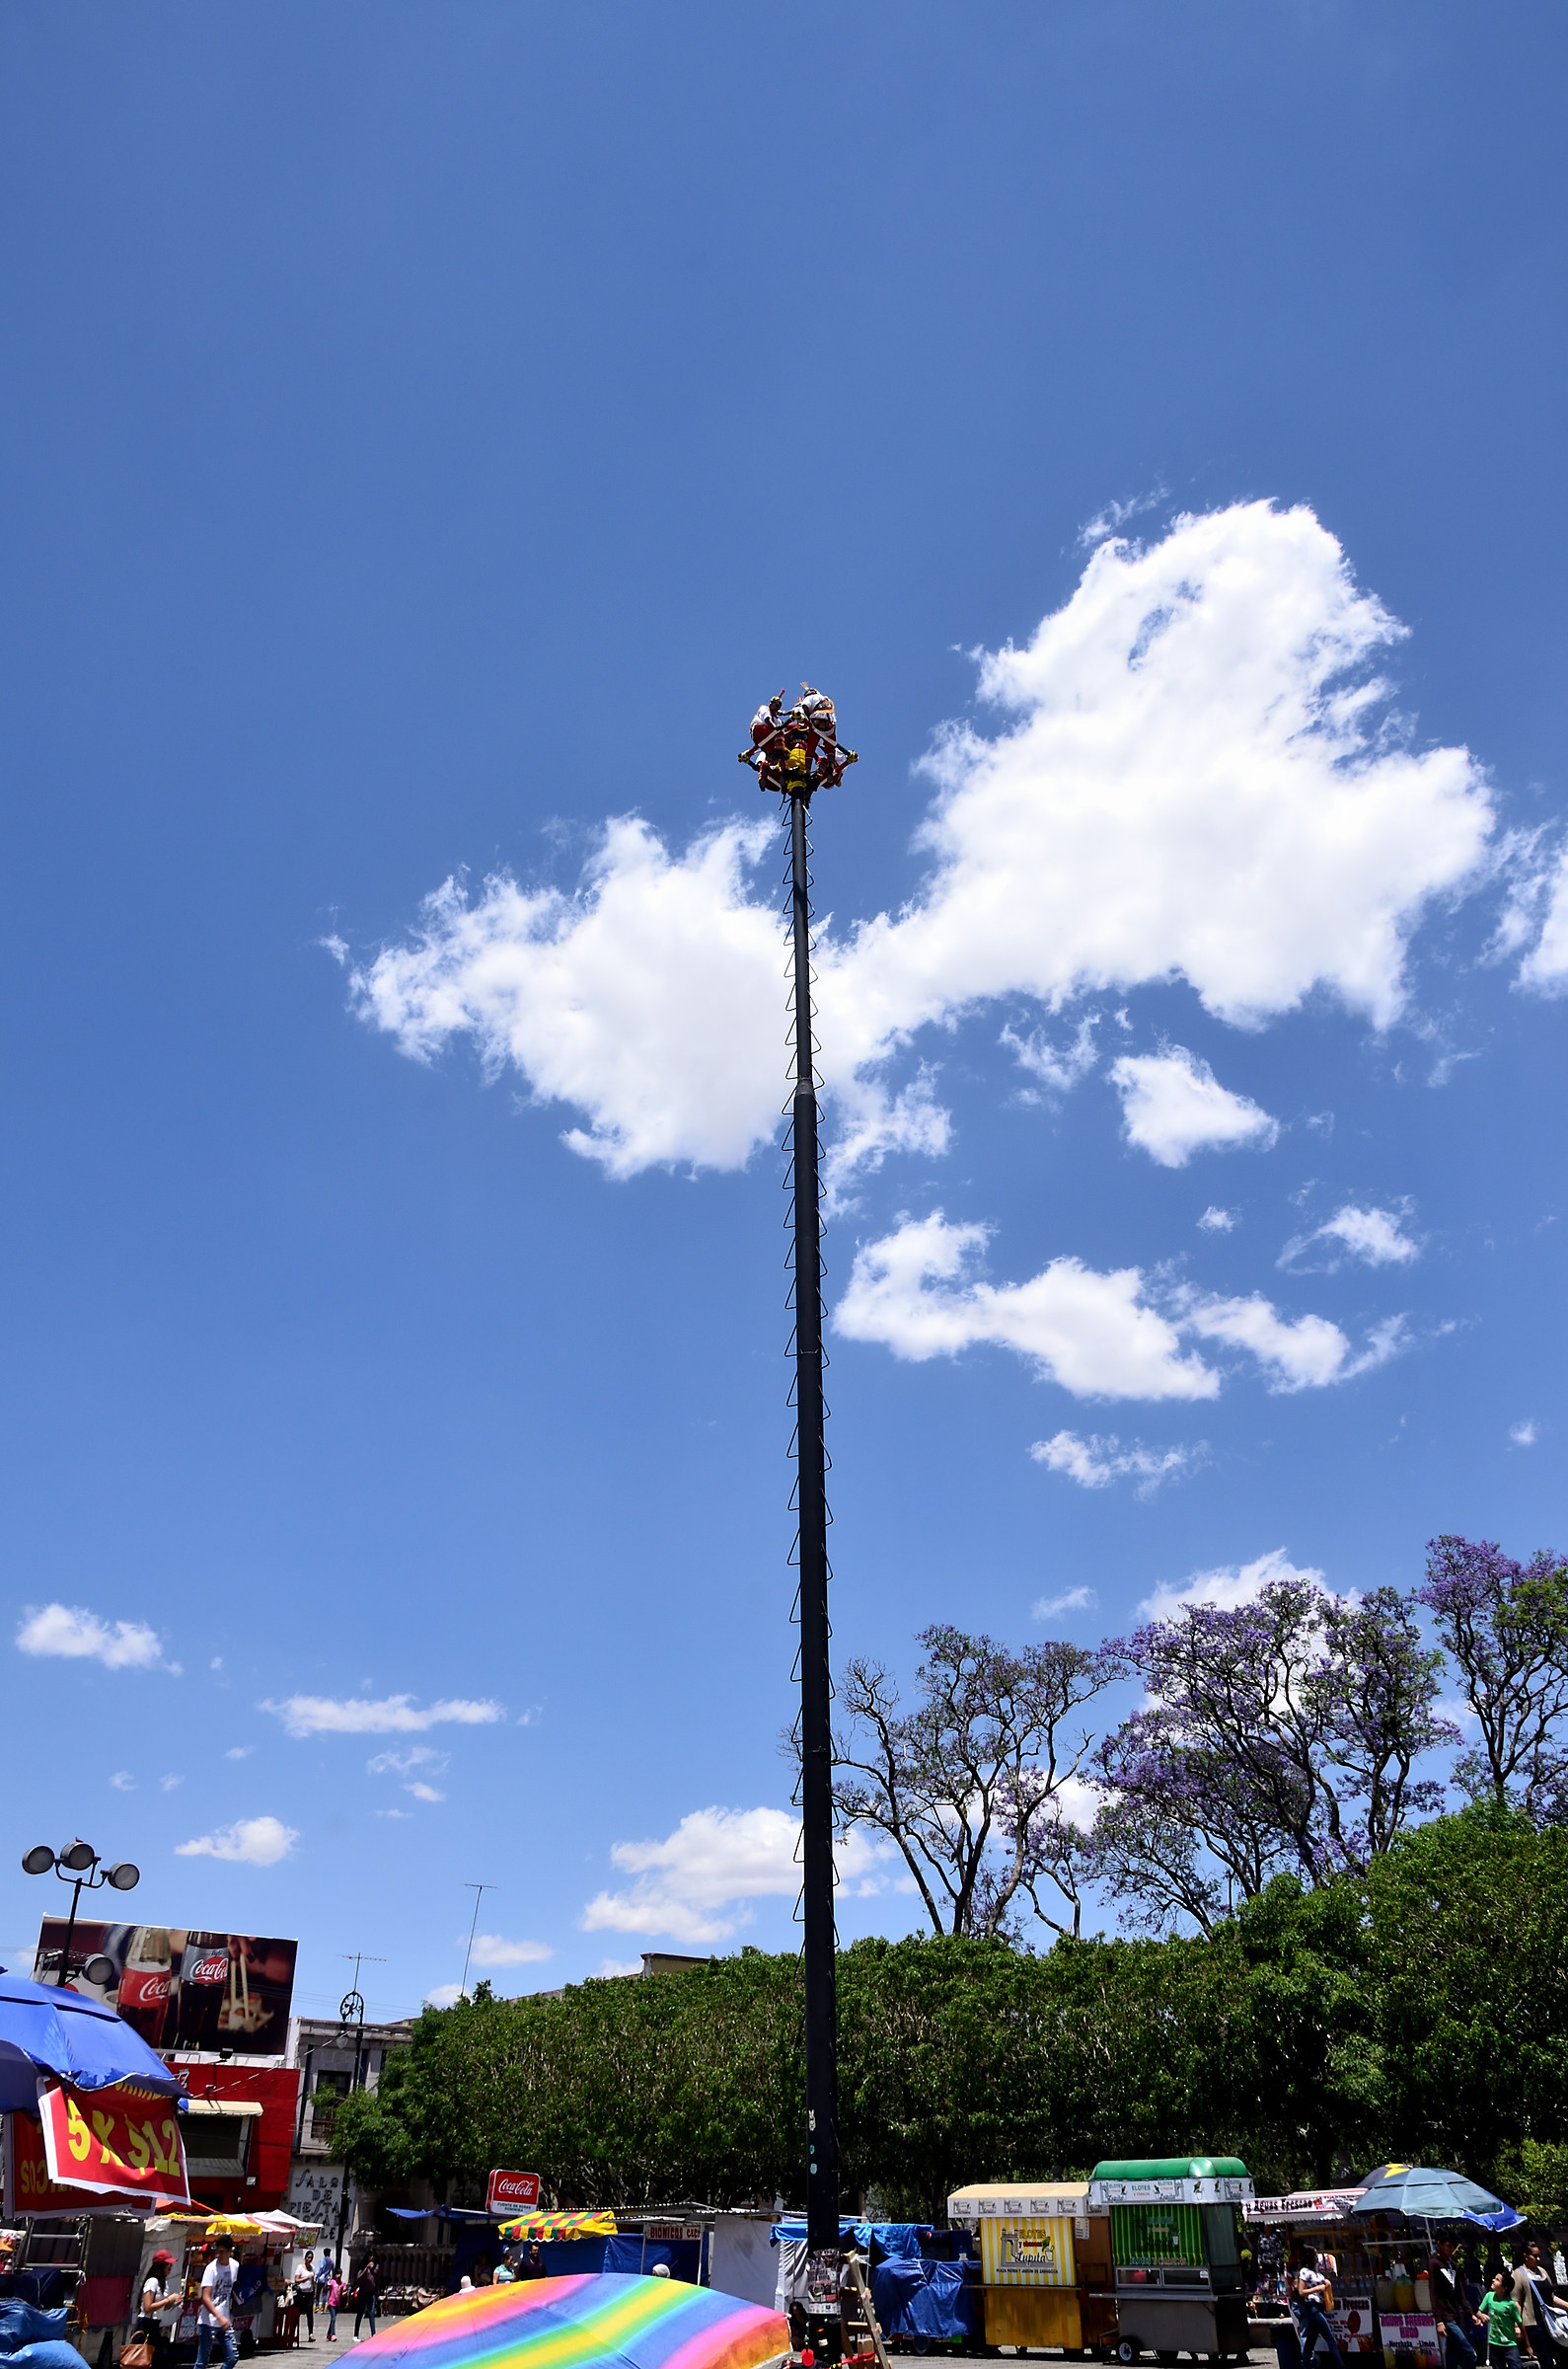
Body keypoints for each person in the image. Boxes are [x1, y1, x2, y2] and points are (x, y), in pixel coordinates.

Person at [1433, 2239, 1487, 2369]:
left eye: (1453, 2246)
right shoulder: (1434, 2263)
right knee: (1470, 2354)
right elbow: (1433, 2294)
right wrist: (1439, 2321)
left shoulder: (1453, 2265)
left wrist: (1471, 2315)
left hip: (1456, 2314)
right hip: (1446, 2317)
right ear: (1439, 2244)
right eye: (1448, 2245)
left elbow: (1460, 2295)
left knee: (1452, 2355)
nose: (1451, 2249)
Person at [1514, 2243, 1565, 2369]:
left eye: (1539, 2256)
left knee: (1563, 2356)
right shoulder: (1518, 2274)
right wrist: (1517, 2326)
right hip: (1534, 2324)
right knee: (1545, 2359)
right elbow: (1516, 2302)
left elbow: (1551, 2297)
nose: (1538, 2259)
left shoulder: (1542, 2271)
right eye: (1534, 2256)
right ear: (1525, 2256)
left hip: (1551, 2323)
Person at [1293, 2248, 1346, 2369]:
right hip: (1312, 2308)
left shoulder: (1316, 2272)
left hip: (1319, 2307)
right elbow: (1301, 2292)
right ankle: (1341, 2366)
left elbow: (1323, 2281)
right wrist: (1318, 2289)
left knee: (1310, 2341)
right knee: (1330, 2339)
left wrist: (1326, 2282)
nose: (1317, 2258)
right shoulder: (1304, 2272)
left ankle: (1305, 2365)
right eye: (1315, 2255)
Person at [194, 2238, 238, 2369]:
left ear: (230, 2251)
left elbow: (230, 2290)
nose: (218, 2255)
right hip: (208, 2321)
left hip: (224, 2321)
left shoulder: (235, 2266)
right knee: (202, 2361)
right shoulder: (211, 2269)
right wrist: (218, 2316)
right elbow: (205, 2297)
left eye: (222, 2252)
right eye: (216, 2251)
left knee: (232, 2357)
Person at [136, 2250, 182, 2366]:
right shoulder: (152, 2282)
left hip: (156, 2324)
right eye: (168, 2264)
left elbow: (163, 2308)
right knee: (144, 2360)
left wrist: (173, 2302)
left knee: (157, 2360)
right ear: (161, 2266)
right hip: (146, 2324)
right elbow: (148, 2307)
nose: (170, 2267)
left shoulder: (163, 2283)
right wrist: (167, 2300)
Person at [1481, 2268, 1533, 2369]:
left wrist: (1528, 2346)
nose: (1493, 2280)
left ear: (1504, 2288)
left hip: (1510, 2344)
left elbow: (1521, 2325)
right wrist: (1481, 2316)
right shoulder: (1489, 2297)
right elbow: (1479, 2312)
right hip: (1494, 2343)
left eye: (1497, 2280)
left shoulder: (1510, 2304)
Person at [352, 2257, 379, 2341]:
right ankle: (356, 2334)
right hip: (363, 2292)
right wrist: (366, 2269)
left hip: (372, 2292)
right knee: (360, 2312)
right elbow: (359, 2277)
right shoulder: (362, 2268)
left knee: (371, 2312)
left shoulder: (375, 2267)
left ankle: (373, 2333)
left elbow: (376, 2276)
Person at [293, 2251, 317, 2342]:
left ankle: (310, 2334)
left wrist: (314, 2291)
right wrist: (306, 2278)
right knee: (297, 2313)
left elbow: (313, 2281)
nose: (309, 2259)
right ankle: (293, 2332)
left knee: (310, 2314)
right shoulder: (300, 2267)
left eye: (311, 2258)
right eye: (308, 2257)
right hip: (301, 2293)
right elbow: (296, 2280)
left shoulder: (312, 2268)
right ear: (305, 2258)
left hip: (309, 2293)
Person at [325, 2266, 343, 2344]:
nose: (338, 2276)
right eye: (337, 2274)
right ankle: (333, 2334)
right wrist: (327, 2281)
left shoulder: (342, 2284)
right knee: (333, 2318)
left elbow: (341, 2294)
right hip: (331, 2303)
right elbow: (327, 2287)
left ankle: (329, 2333)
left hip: (337, 2303)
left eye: (339, 2274)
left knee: (333, 2319)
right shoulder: (332, 2282)